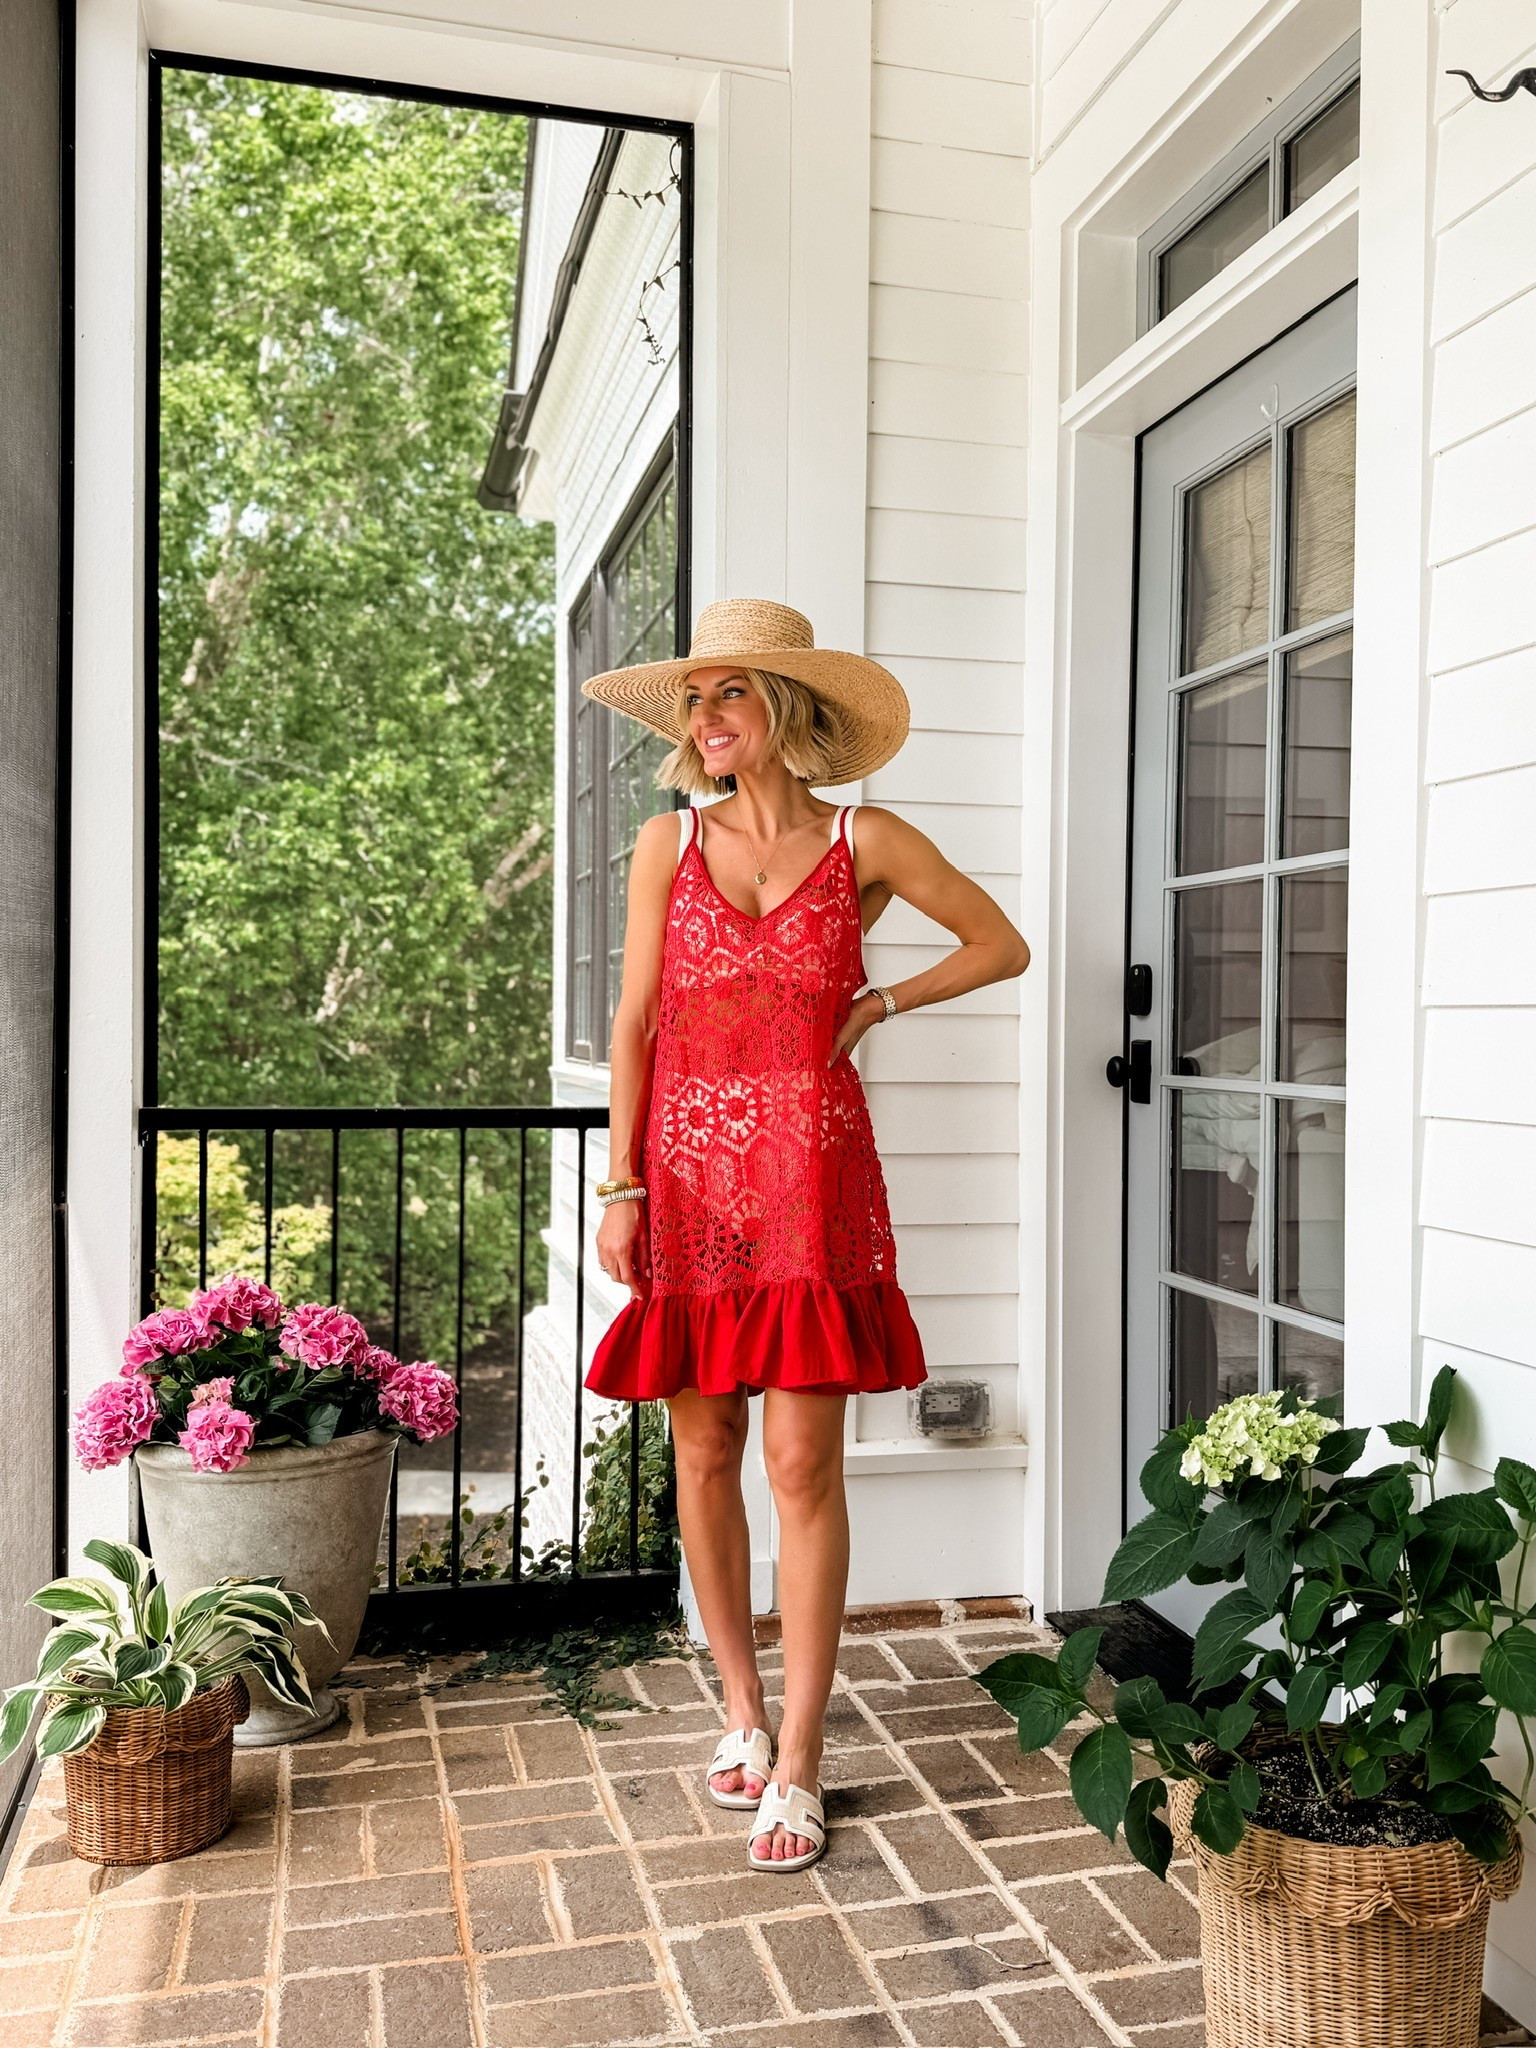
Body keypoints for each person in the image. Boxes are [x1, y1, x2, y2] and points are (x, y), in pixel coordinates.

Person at [579, 598, 1030, 1873]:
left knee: (802, 1464)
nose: (706, 721)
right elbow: (632, 1027)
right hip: (689, 1180)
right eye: (694, 702)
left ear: (783, 707)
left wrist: (881, 997)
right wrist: (622, 1187)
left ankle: (803, 1753)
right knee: (708, 1444)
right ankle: (737, 1707)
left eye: (728, 695)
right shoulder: (668, 844)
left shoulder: (863, 837)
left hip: (813, 1182)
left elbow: (1001, 943)